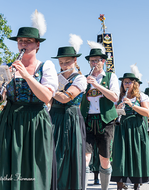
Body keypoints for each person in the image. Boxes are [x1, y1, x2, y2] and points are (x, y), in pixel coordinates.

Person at [0, 11, 58, 190]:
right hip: (11, 120)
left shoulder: (46, 66)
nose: (23, 44)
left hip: (36, 122)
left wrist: (26, 75)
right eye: (20, 41)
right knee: (8, 167)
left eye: (28, 41)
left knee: (35, 168)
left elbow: (47, 97)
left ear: (37, 45)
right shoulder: (6, 67)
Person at [80, 41, 119, 190]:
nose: (94, 63)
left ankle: (104, 188)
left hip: (106, 121)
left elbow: (114, 97)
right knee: (85, 157)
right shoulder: (84, 78)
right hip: (88, 120)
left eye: (97, 60)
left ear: (103, 61)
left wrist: (96, 85)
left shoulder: (110, 77)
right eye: (92, 60)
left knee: (104, 160)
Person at [50, 34, 87, 190]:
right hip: (54, 117)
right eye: (61, 63)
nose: (64, 65)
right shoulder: (54, 77)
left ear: (75, 61)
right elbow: (49, 101)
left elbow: (66, 98)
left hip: (71, 119)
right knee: (53, 156)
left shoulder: (80, 79)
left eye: (67, 62)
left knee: (69, 156)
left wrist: (49, 89)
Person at [111, 72, 149, 190]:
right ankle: (119, 183)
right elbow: (111, 114)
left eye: (128, 82)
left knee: (136, 153)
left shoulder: (141, 96)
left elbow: (147, 113)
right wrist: (116, 110)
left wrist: (132, 104)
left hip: (136, 127)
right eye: (124, 82)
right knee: (120, 154)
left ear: (135, 84)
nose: (126, 84)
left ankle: (136, 184)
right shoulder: (119, 96)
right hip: (121, 127)